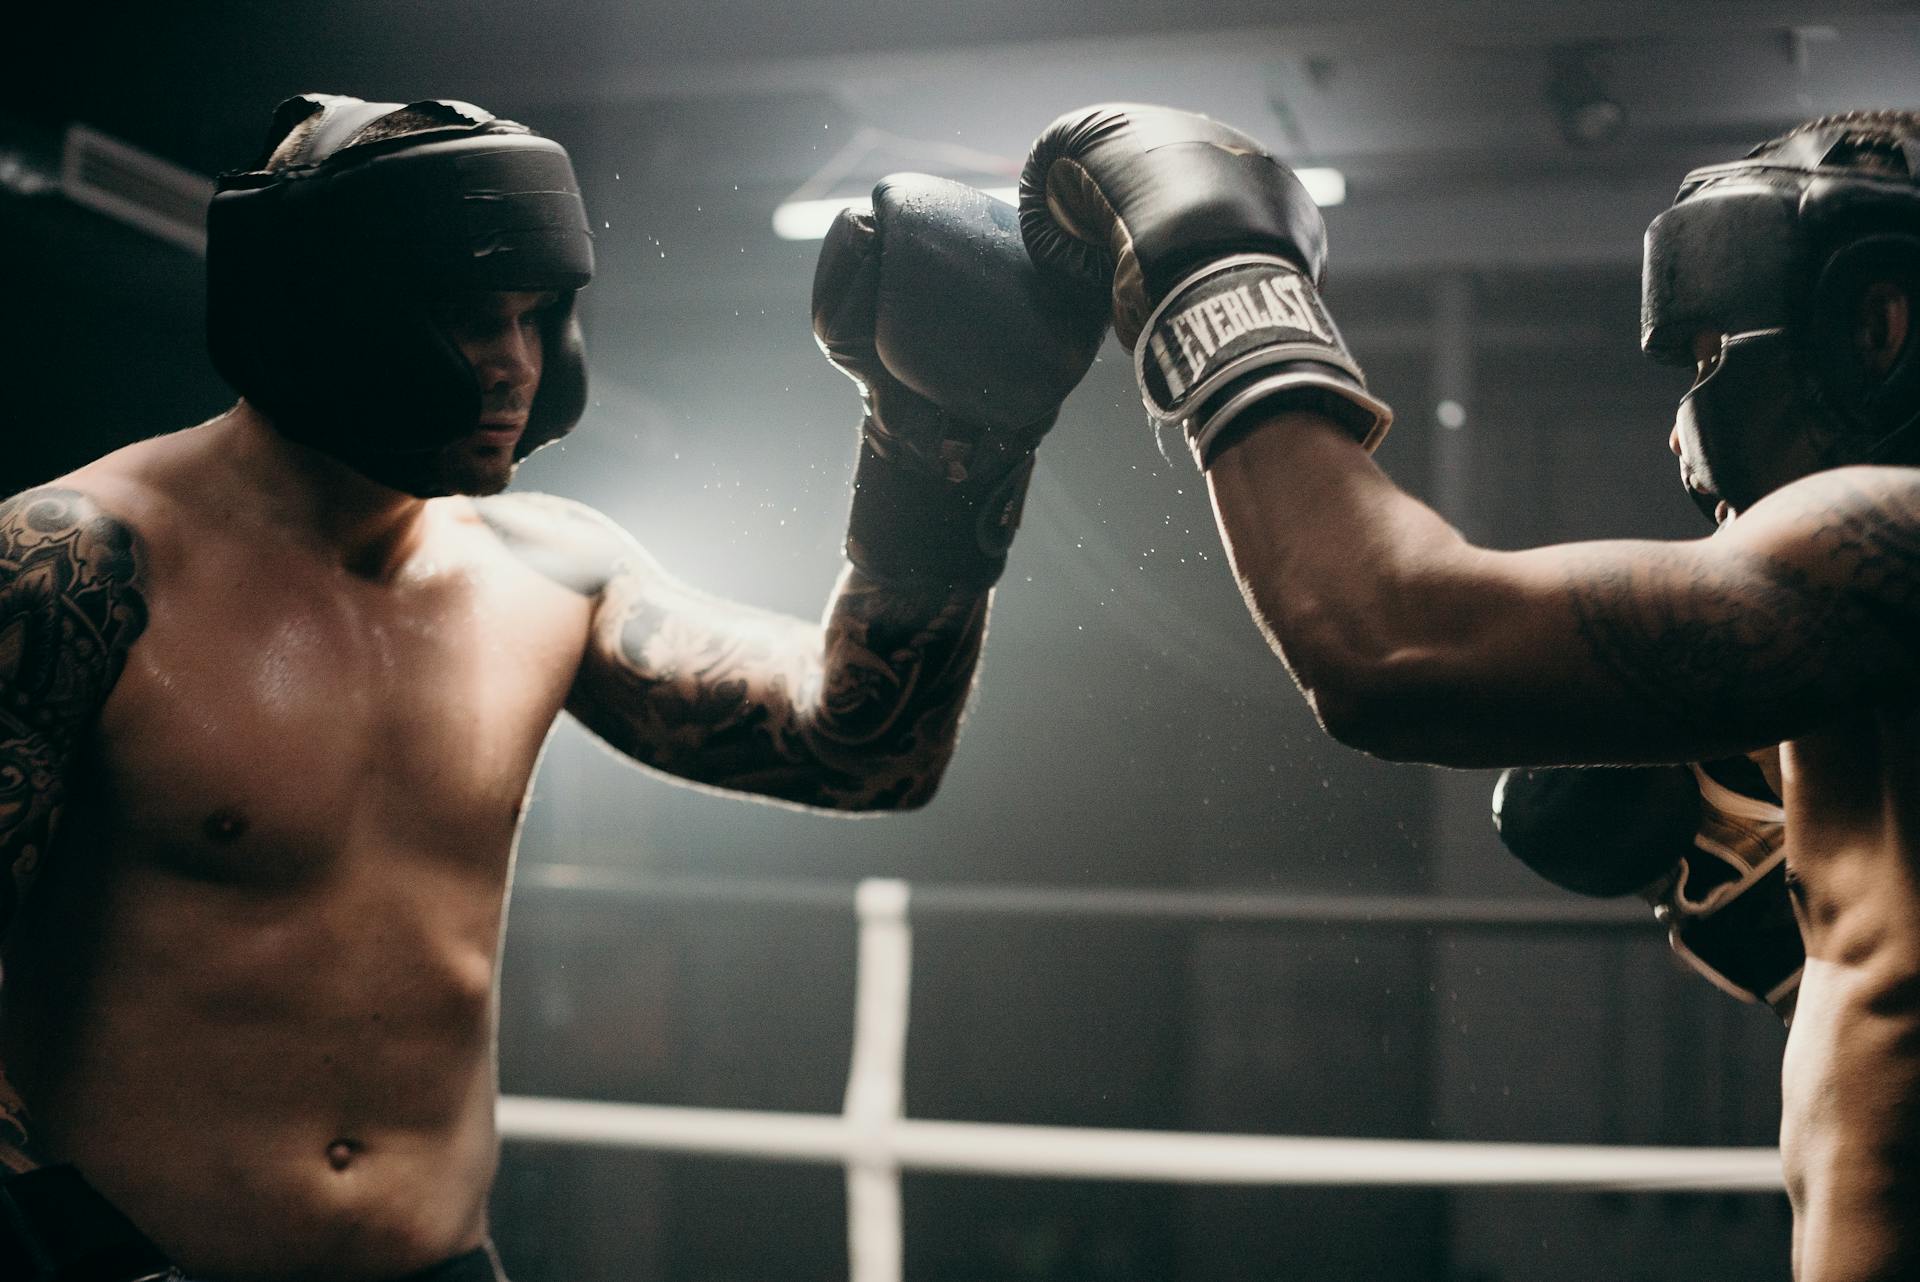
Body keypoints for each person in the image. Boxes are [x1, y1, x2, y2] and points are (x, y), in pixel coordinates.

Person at [0, 93, 1105, 1282]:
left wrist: (944, 445)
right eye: (474, 320)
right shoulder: (73, 569)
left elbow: (865, 749)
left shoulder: (551, 571)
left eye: (538, 318)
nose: (515, 366)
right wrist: (49, 1250)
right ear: (319, 311)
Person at [1020, 104, 1920, 1281]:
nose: (1691, 415)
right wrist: (1791, 938)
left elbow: (1391, 643)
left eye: (1716, 352)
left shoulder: (1891, 550)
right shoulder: (1860, 666)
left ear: (1880, 320)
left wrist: (1217, 266)